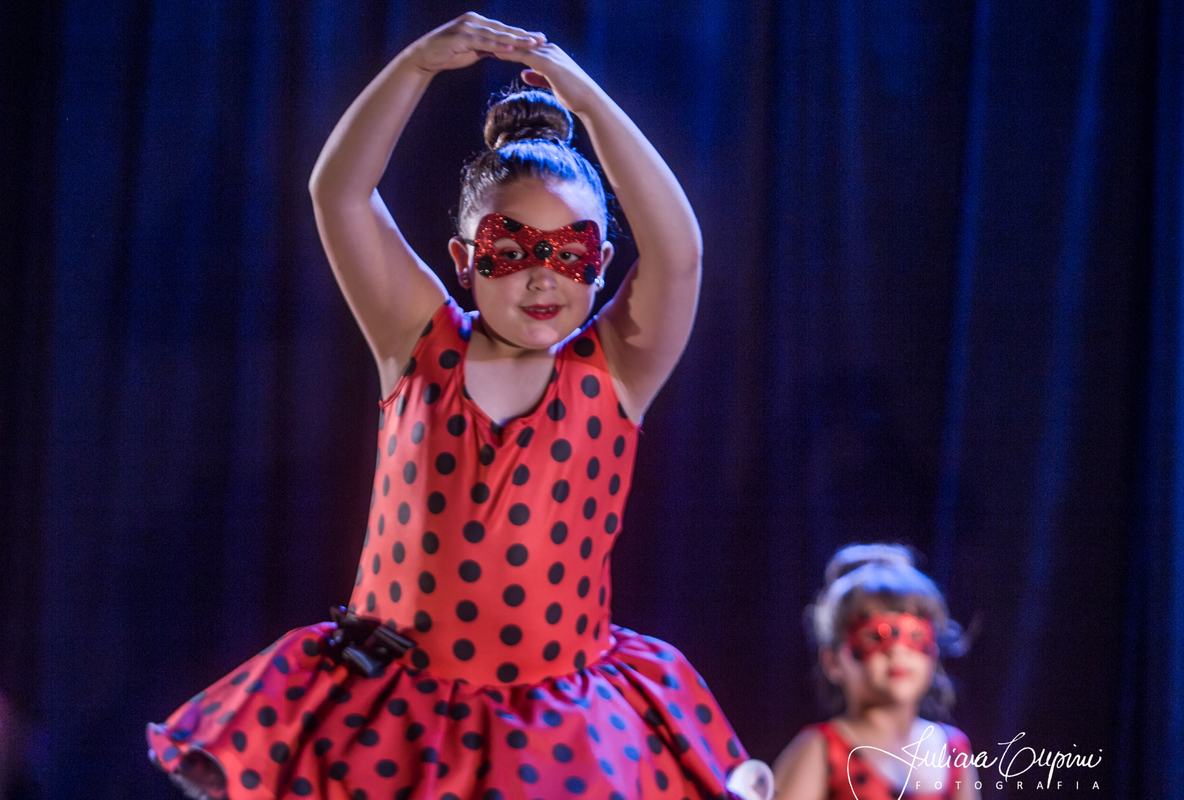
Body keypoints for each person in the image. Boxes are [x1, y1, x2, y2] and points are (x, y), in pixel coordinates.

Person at [147, 13, 764, 800]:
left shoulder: (617, 369)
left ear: (603, 262)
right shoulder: (418, 341)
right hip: (393, 719)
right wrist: (415, 65)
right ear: (465, 260)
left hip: (558, 732)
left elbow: (679, 253)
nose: (542, 276)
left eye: (570, 253)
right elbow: (339, 193)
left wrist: (588, 99)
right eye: (511, 250)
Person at [773, 544, 981, 800]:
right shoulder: (820, 750)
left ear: (934, 652)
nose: (897, 652)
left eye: (915, 636)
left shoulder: (953, 750)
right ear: (833, 662)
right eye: (874, 636)